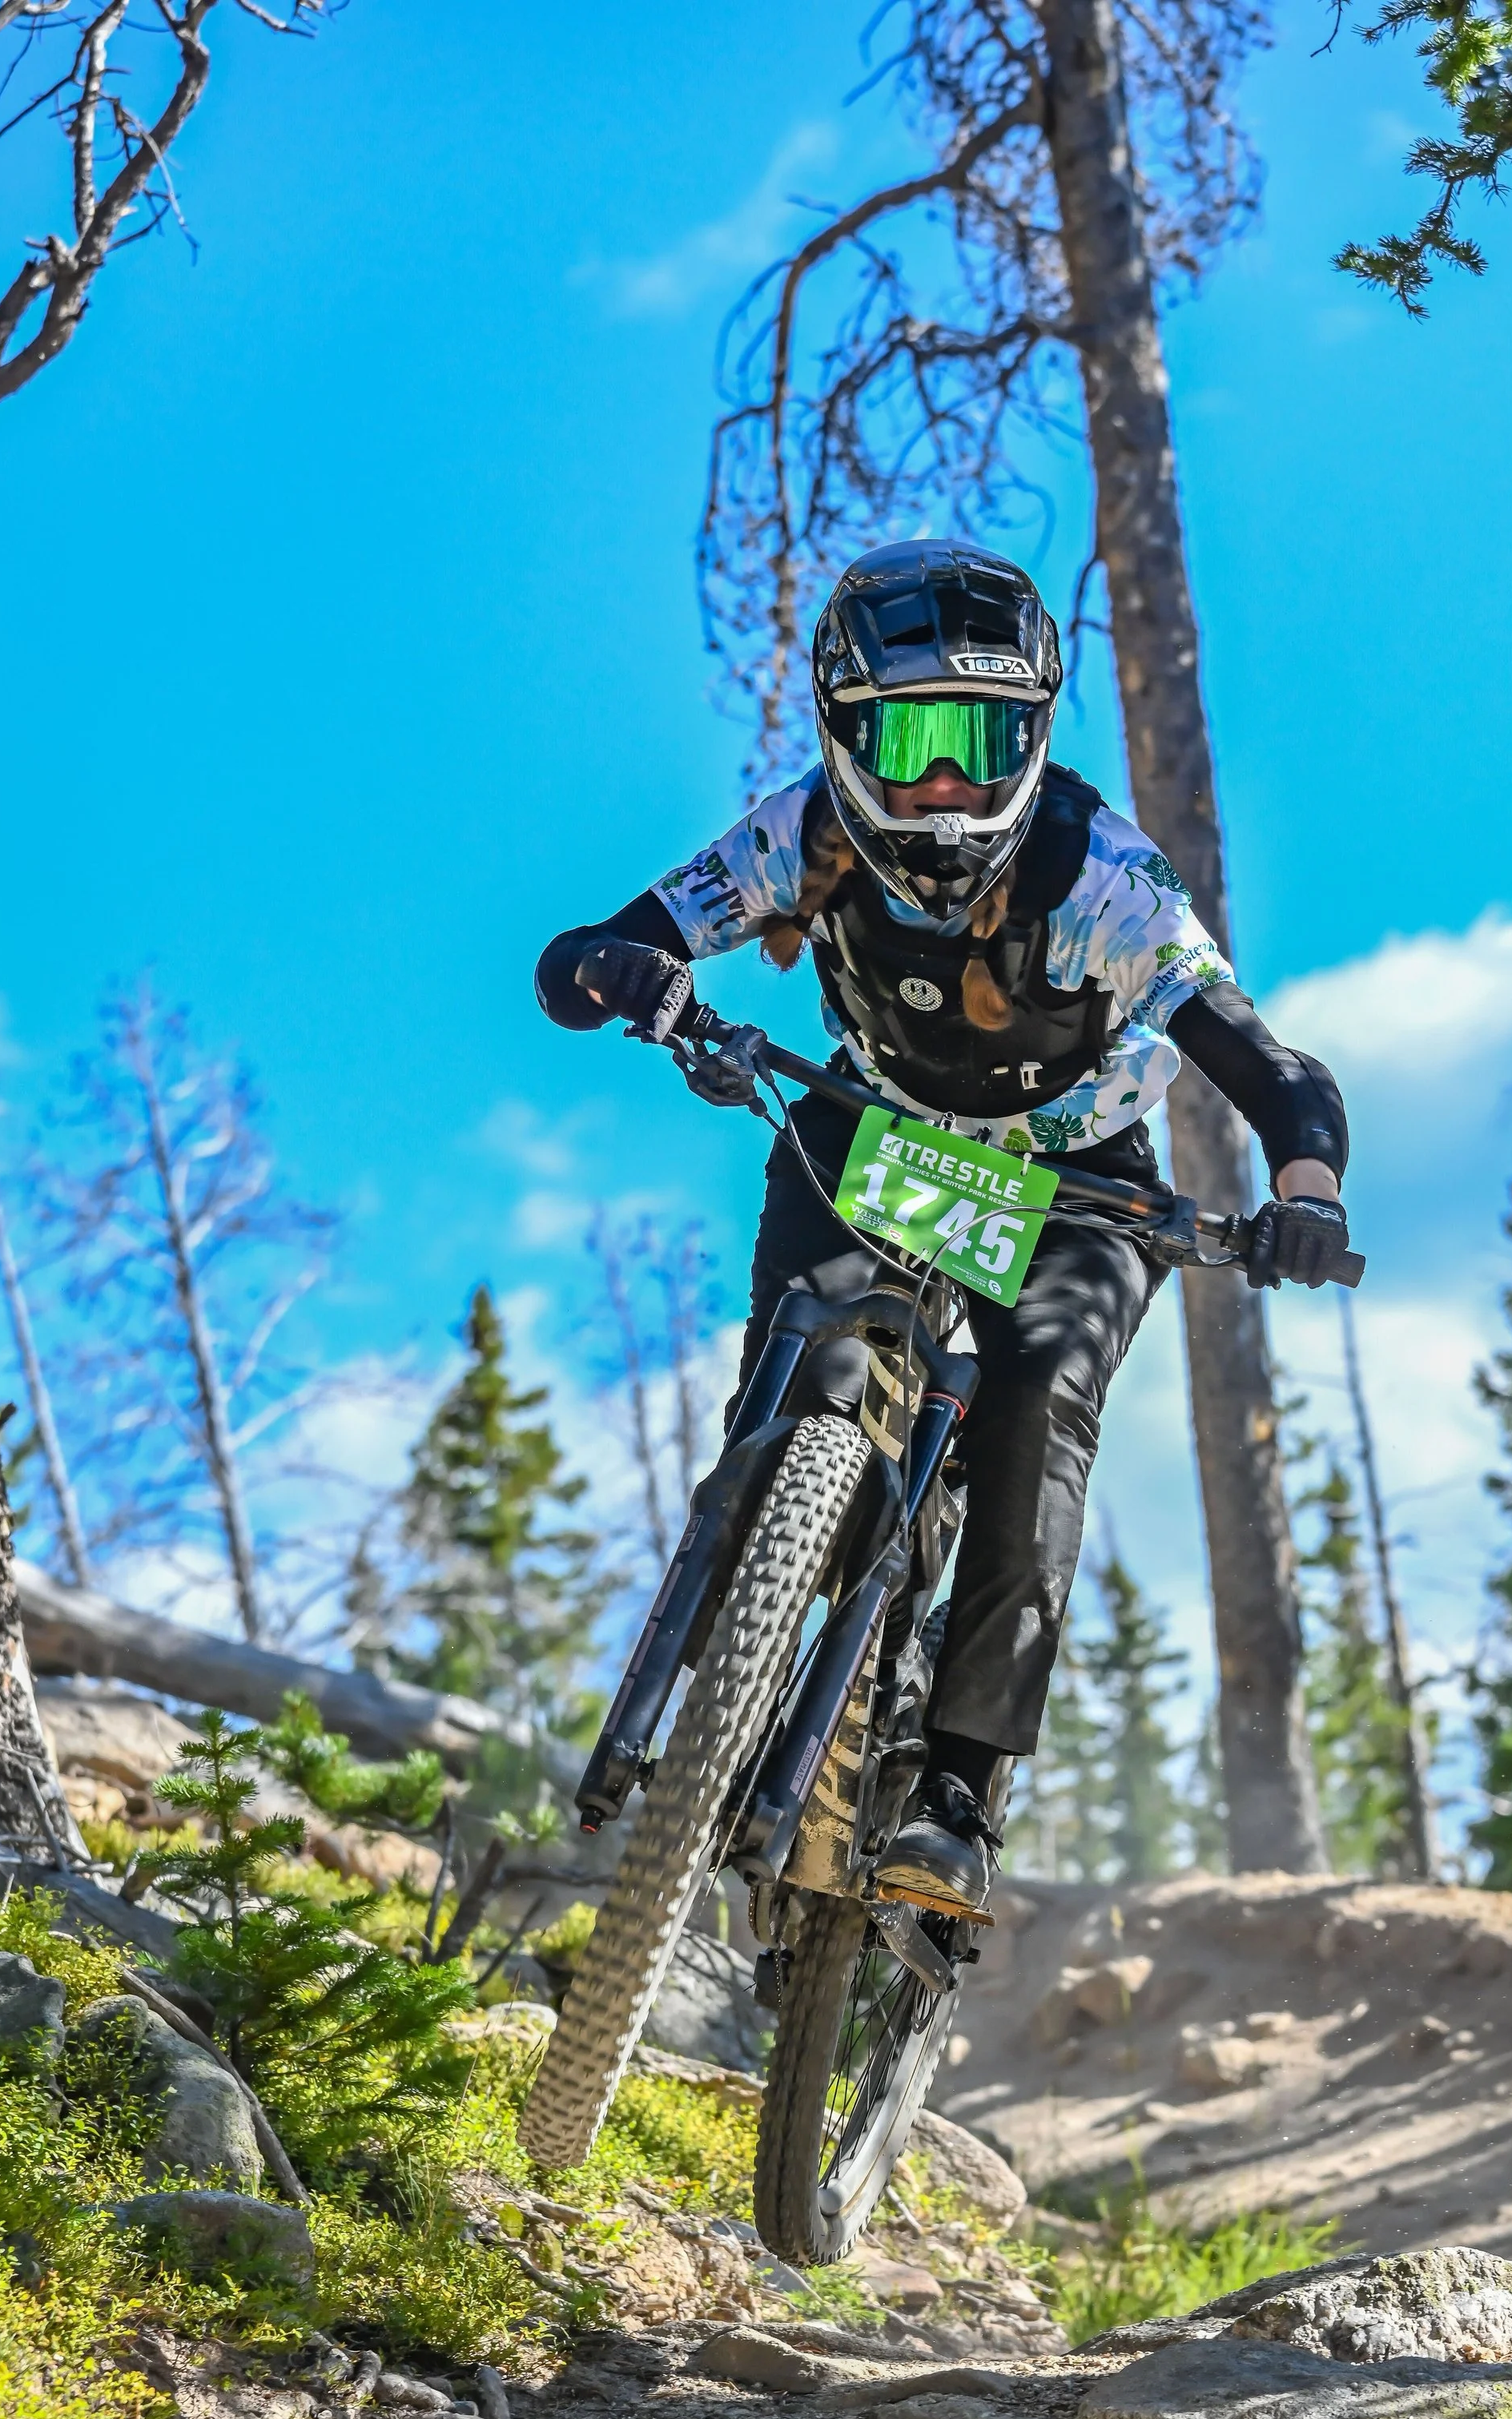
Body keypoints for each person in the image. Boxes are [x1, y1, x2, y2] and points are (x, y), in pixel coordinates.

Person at [536, 540, 1350, 1919]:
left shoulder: (1106, 878)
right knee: (796, 1384)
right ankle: (737, 1671)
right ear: (847, 736)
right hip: (883, 1132)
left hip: (1075, 1182)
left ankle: (959, 1793)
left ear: (1031, 735)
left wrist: (1308, 1189)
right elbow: (591, 956)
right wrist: (622, 968)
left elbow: (1267, 1063)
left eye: (979, 742)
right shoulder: (805, 836)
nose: (942, 787)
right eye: (906, 741)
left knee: (1041, 1395)